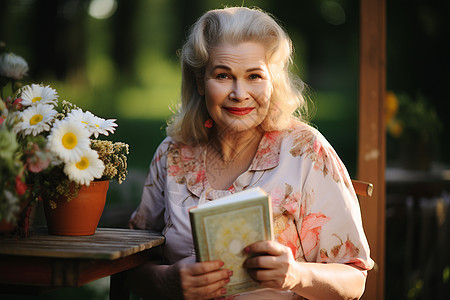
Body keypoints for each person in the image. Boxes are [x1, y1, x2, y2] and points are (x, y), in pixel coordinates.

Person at [127, 6, 374, 300]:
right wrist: (165, 279)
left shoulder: (306, 151)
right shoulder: (173, 153)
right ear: (199, 82)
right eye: (223, 75)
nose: (239, 93)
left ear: (274, 81)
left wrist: (296, 274)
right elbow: (130, 262)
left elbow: (354, 278)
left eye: (254, 76)